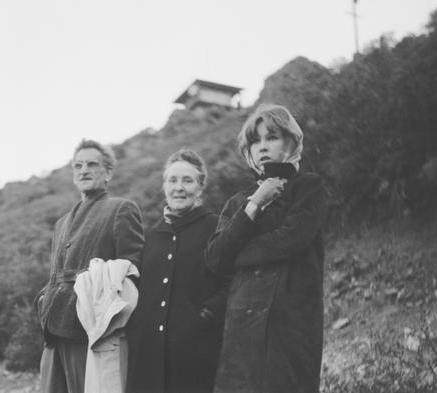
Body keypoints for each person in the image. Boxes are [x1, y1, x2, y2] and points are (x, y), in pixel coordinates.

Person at [207, 104, 327, 393]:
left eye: (271, 137)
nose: (262, 146)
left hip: (289, 322)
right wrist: (255, 203)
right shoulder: (238, 202)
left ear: (291, 141)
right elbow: (214, 258)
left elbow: (290, 241)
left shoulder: (309, 187)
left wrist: (236, 255)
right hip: (241, 325)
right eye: (255, 140)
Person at [35, 139, 145, 393]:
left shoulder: (121, 209)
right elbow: (55, 275)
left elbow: (131, 272)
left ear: (107, 172)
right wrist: (42, 300)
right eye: (78, 165)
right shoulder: (61, 223)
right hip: (53, 327)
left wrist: (102, 316)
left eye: (92, 164)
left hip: (90, 330)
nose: (84, 170)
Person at [127, 148, 228, 393]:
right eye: (172, 180)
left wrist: (206, 315)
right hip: (147, 356)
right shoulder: (152, 237)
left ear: (200, 186)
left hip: (196, 353)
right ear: (164, 187)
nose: (179, 187)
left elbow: (232, 281)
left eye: (187, 180)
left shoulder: (216, 227)